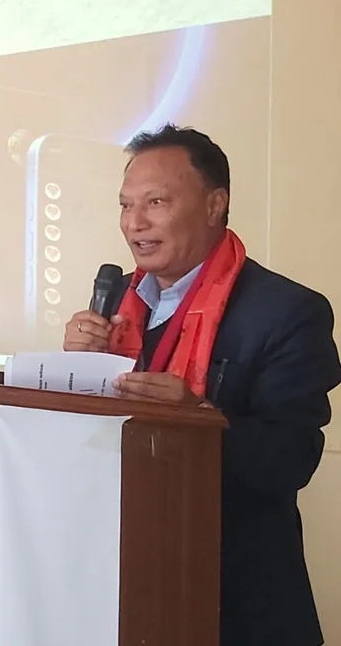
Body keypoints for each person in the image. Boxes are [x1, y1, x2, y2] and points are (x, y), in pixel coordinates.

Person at [62, 124, 340, 646]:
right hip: (123, 580)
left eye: (156, 202)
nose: (135, 223)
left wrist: (199, 418)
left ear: (215, 205)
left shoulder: (286, 311)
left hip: (236, 600)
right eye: (125, 205)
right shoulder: (119, 301)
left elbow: (291, 459)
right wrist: (75, 372)